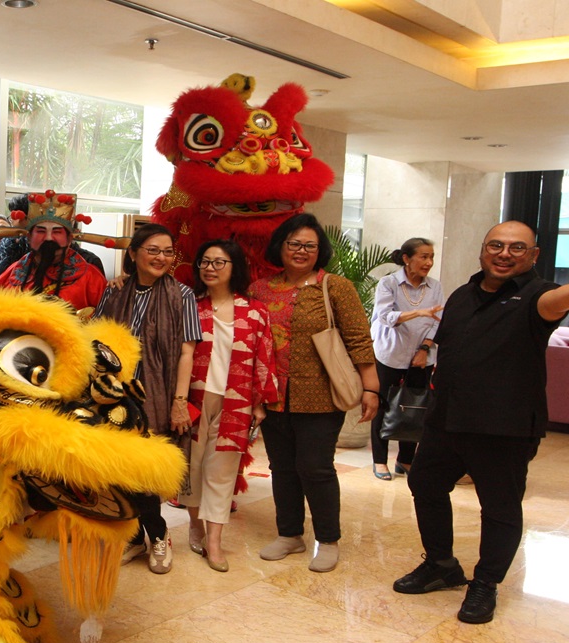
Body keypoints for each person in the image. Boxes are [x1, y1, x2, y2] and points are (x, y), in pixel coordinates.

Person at [394, 221, 569, 624]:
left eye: (517, 248)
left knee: (498, 507)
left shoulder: (537, 294)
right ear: (483, 250)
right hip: (448, 419)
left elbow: (559, 302)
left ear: (532, 256)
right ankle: (442, 565)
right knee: (424, 483)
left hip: (505, 425)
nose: (504, 253)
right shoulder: (462, 294)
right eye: (496, 245)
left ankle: (486, 583)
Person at [248, 213, 379, 573]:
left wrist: (371, 387)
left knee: (316, 468)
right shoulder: (260, 289)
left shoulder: (334, 287)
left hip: (321, 396)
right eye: (294, 243)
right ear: (281, 246)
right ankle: (290, 534)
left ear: (319, 251)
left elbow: (357, 338)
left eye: (310, 245)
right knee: (281, 468)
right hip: (273, 396)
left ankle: (329, 539)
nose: (301, 250)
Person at [96, 223, 202, 574]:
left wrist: (179, 400)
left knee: (146, 467)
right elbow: (93, 340)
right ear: (133, 254)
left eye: (168, 252)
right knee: (119, 469)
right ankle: (134, 536)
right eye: (153, 250)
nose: (161, 258)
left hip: (155, 395)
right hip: (112, 396)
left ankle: (157, 535)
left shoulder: (182, 295)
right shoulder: (114, 291)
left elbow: (187, 353)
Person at [179, 239, 278, 572]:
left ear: (235, 268)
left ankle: (215, 542)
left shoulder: (254, 311)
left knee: (222, 471)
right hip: (194, 397)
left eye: (219, 262)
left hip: (236, 400)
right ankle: (194, 524)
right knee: (190, 467)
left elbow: (265, 357)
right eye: (205, 261)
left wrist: (260, 403)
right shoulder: (190, 306)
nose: (210, 268)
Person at [369, 238, 445, 480]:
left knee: (415, 406)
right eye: (423, 256)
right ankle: (380, 461)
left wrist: (424, 349)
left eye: (431, 256)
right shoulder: (388, 283)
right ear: (406, 258)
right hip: (389, 354)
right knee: (382, 407)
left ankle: (405, 460)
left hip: (422, 357)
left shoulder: (435, 286)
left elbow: (437, 322)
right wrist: (417, 312)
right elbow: (385, 317)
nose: (429, 262)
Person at [0, 191, 107, 314]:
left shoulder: (91, 278)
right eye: (41, 231)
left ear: (69, 238)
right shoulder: (11, 275)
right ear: (29, 237)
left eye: (57, 232)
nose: (48, 238)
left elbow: (108, 324)